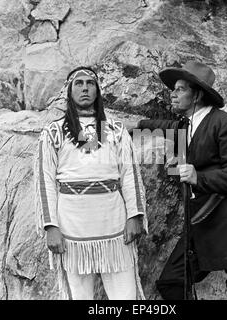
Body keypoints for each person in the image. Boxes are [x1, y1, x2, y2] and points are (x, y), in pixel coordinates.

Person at [135, 61, 227, 300]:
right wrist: (122, 128)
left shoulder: (226, 123)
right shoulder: (184, 125)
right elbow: (156, 126)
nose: (172, 94)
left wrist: (198, 176)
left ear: (196, 95)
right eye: (173, 89)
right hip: (200, 222)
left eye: (180, 89)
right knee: (172, 282)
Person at [34, 66, 147, 300]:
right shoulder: (53, 132)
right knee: (79, 296)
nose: (85, 88)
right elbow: (44, 181)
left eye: (90, 83)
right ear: (69, 91)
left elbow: (129, 174)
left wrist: (135, 216)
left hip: (114, 226)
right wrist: (50, 226)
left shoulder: (115, 130)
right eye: (79, 83)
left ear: (97, 91)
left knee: (125, 296)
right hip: (72, 229)